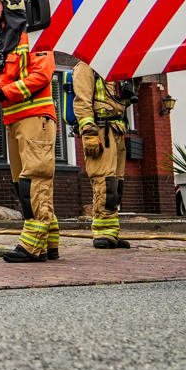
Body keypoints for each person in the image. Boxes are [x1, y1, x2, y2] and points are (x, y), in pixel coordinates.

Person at [0, 0, 59, 263]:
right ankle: (49, 243)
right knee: (23, 183)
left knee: (34, 181)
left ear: (10, 4)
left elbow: (41, 76)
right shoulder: (2, 41)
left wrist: (4, 93)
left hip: (35, 119)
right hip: (14, 119)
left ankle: (33, 247)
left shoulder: (35, 38)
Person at [72, 63, 133, 249]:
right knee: (104, 181)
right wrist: (89, 132)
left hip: (116, 130)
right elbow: (82, 101)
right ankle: (102, 231)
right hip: (99, 130)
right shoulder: (85, 67)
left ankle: (112, 232)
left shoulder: (114, 67)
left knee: (116, 183)